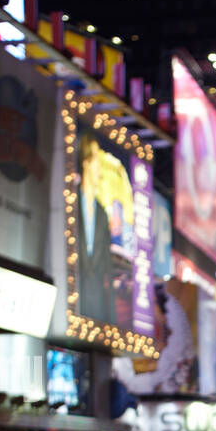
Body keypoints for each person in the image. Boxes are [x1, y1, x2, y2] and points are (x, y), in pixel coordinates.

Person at [78, 133, 116, 326]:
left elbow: (107, 265)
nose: (100, 167)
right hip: (71, 299)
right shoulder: (70, 201)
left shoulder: (102, 212)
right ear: (86, 161)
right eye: (96, 160)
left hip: (96, 308)